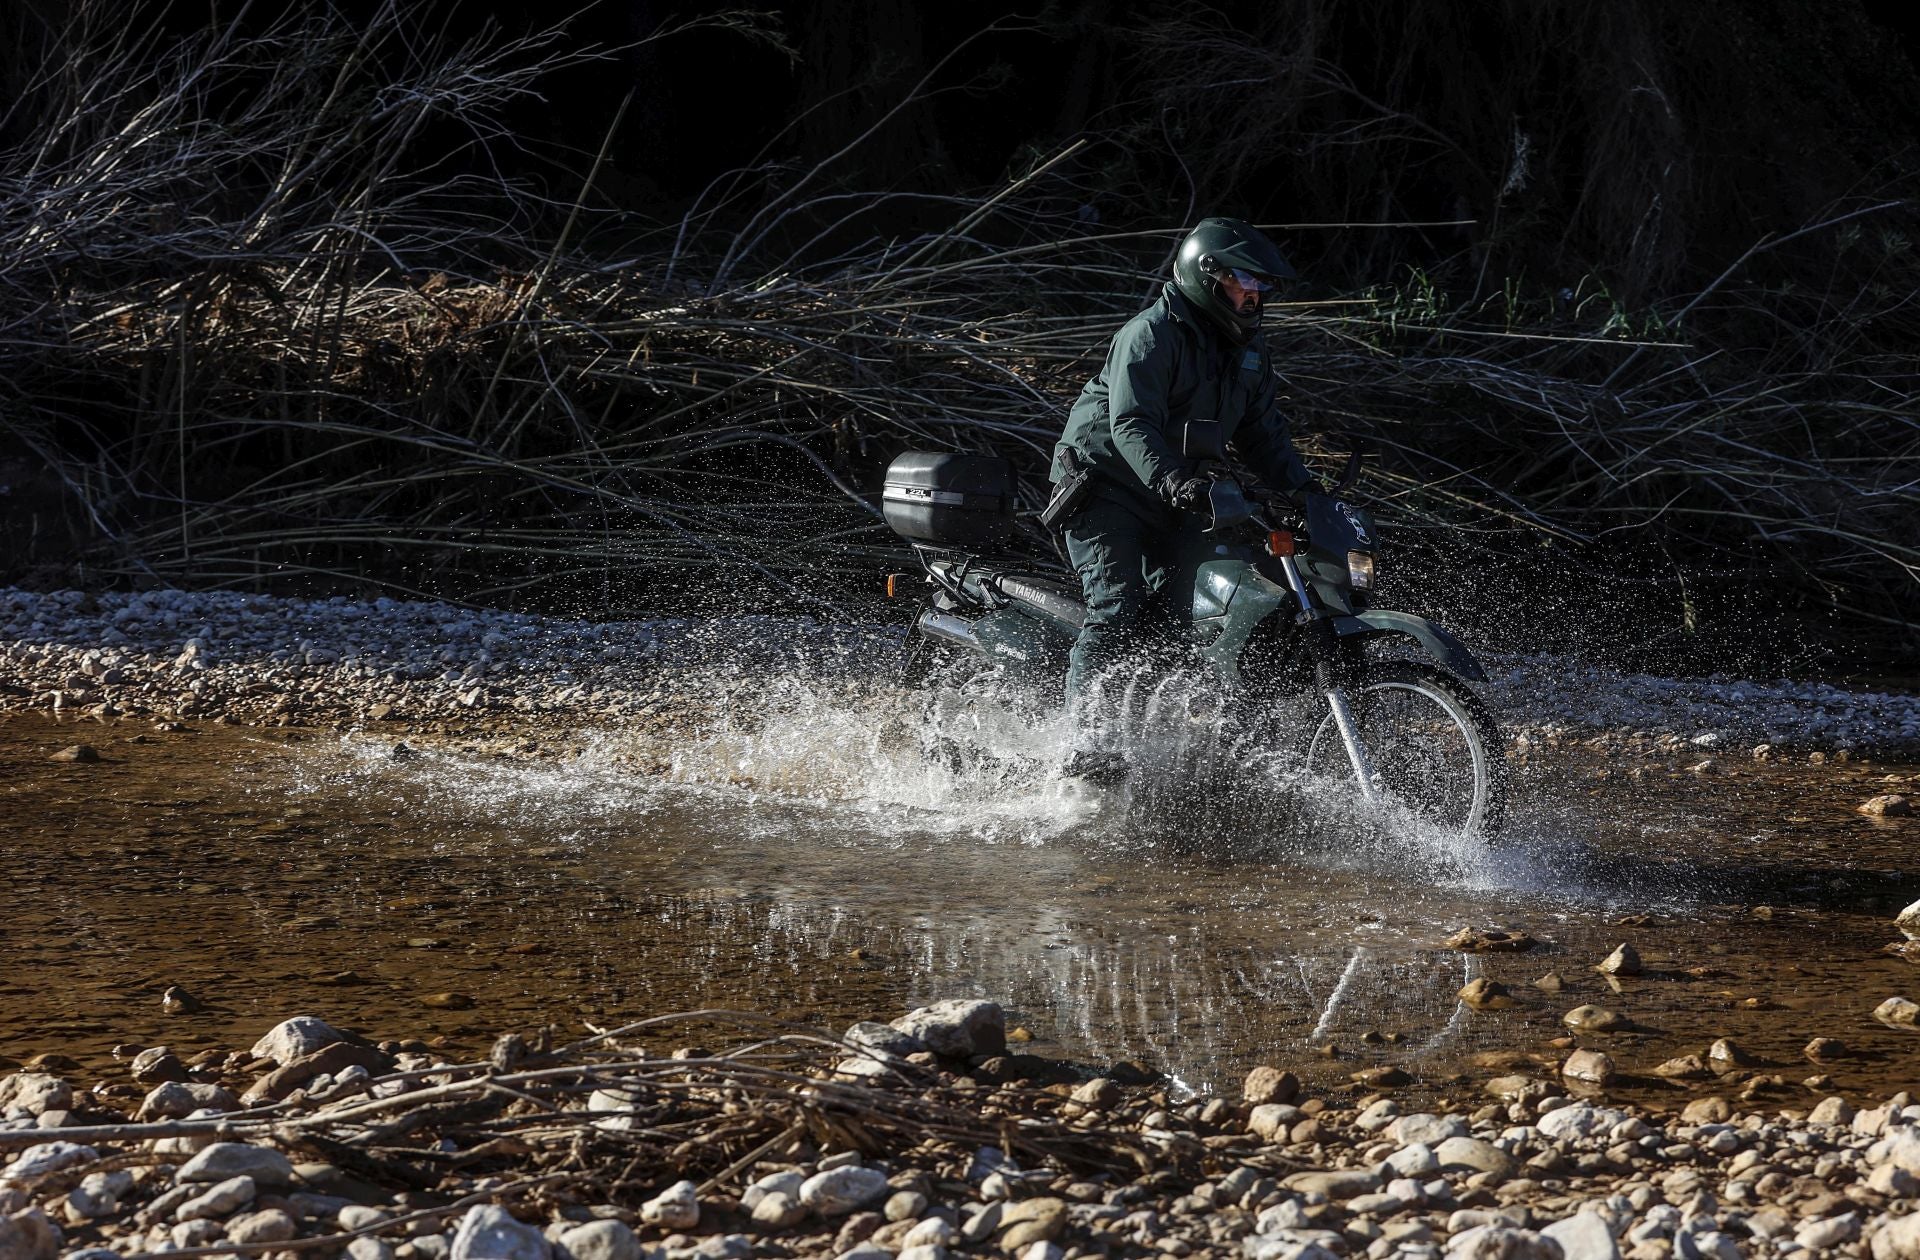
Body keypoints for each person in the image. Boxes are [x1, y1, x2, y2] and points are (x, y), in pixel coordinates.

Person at [1048, 217, 1320, 781]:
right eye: (1246, 281)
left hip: (1185, 493)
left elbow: (1263, 434)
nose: (1255, 294)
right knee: (1117, 611)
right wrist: (1173, 479)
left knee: (1208, 607)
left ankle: (1178, 748)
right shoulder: (1151, 334)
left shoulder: (1247, 349)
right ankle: (1082, 748)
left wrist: (1309, 493)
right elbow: (1131, 424)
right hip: (1107, 488)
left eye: (1263, 286)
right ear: (1208, 275)